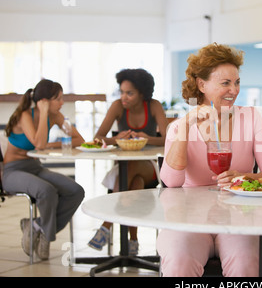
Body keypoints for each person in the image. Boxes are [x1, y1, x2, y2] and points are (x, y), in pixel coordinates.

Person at [158, 43, 262, 276]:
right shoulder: (179, 126)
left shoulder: (251, 118)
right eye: (225, 83)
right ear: (201, 84)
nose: (234, 90)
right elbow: (172, 182)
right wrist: (186, 127)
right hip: (188, 218)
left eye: (237, 82)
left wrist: (246, 177)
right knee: (179, 260)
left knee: (246, 261)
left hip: (239, 216)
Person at [88, 68, 168, 256]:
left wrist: (146, 138)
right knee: (135, 184)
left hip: (149, 164)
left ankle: (106, 225)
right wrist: (116, 139)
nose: (124, 97)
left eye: (129, 93)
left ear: (142, 94)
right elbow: (98, 138)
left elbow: (167, 139)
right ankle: (133, 241)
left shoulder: (154, 106)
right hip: (126, 167)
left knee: (134, 172)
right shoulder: (117, 106)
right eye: (122, 92)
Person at [2, 79, 85, 260]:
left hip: (35, 167)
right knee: (46, 191)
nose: (62, 103)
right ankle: (47, 235)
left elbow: (80, 139)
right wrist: (44, 112)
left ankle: (37, 226)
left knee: (76, 191)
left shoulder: (55, 117)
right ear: (44, 101)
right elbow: (39, 144)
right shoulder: (25, 115)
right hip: (12, 171)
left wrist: (53, 144)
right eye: (58, 99)